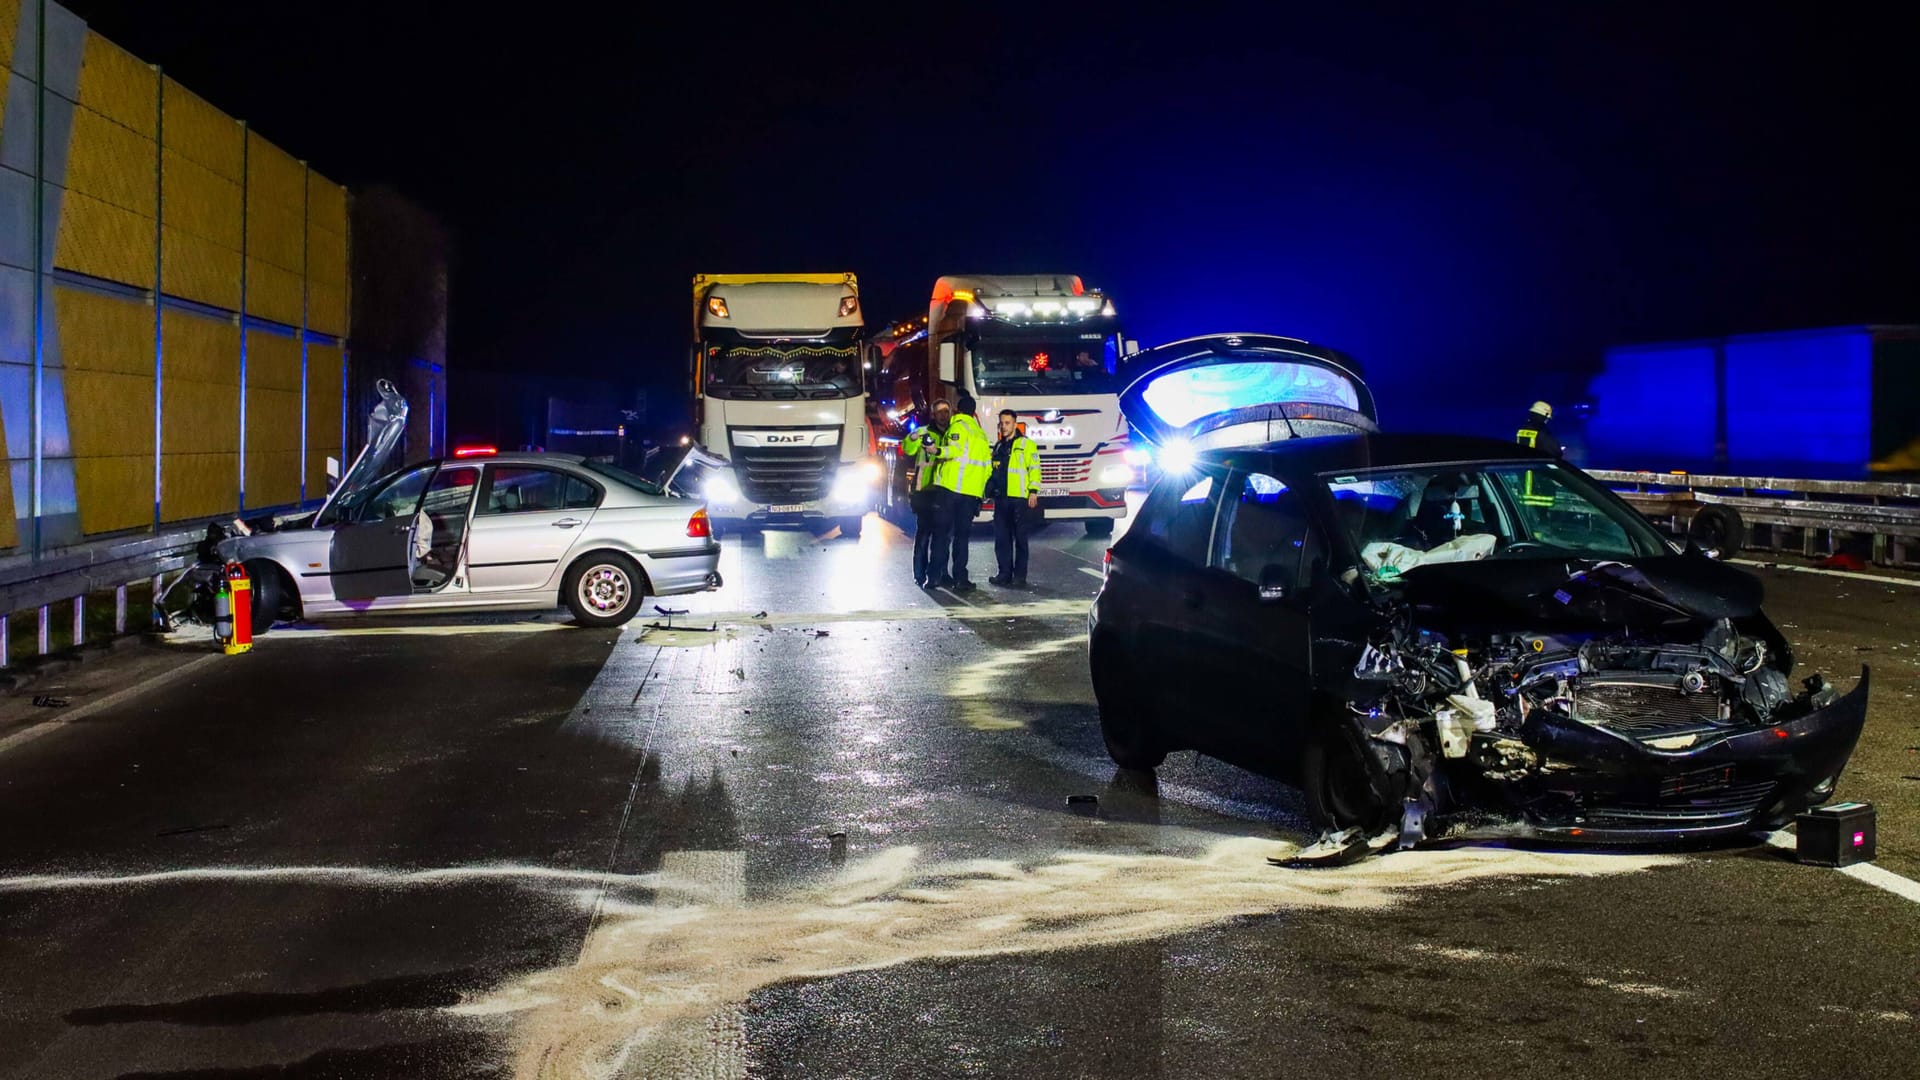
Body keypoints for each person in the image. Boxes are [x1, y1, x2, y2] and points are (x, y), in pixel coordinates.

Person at [932, 393, 993, 593]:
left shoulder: (957, 426)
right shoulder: (981, 434)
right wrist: (981, 494)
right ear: (974, 412)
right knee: (962, 538)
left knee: (942, 536)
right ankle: (961, 578)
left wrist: (937, 451)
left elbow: (954, 450)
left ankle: (936, 576)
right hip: (970, 495)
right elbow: (987, 469)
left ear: (957, 410)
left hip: (951, 490)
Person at [987, 408, 1041, 588]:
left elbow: (1034, 468)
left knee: (1020, 539)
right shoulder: (998, 446)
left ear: (1015, 424)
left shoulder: (1026, 445)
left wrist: (1033, 491)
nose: (1003, 426)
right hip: (1001, 499)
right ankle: (1004, 574)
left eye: (1007, 423)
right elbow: (993, 471)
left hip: (1019, 498)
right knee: (1002, 539)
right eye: (1001, 423)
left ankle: (1019, 577)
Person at [901, 402, 950, 587]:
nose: (943, 415)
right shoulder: (923, 432)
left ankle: (941, 573)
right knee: (923, 536)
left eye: (946, 411)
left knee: (943, 537)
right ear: (933, 414)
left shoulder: (953, 434)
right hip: (925, 491)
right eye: (939, 412)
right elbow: (908, 448)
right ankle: (920, 574)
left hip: (944, 491)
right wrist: (914, 437)